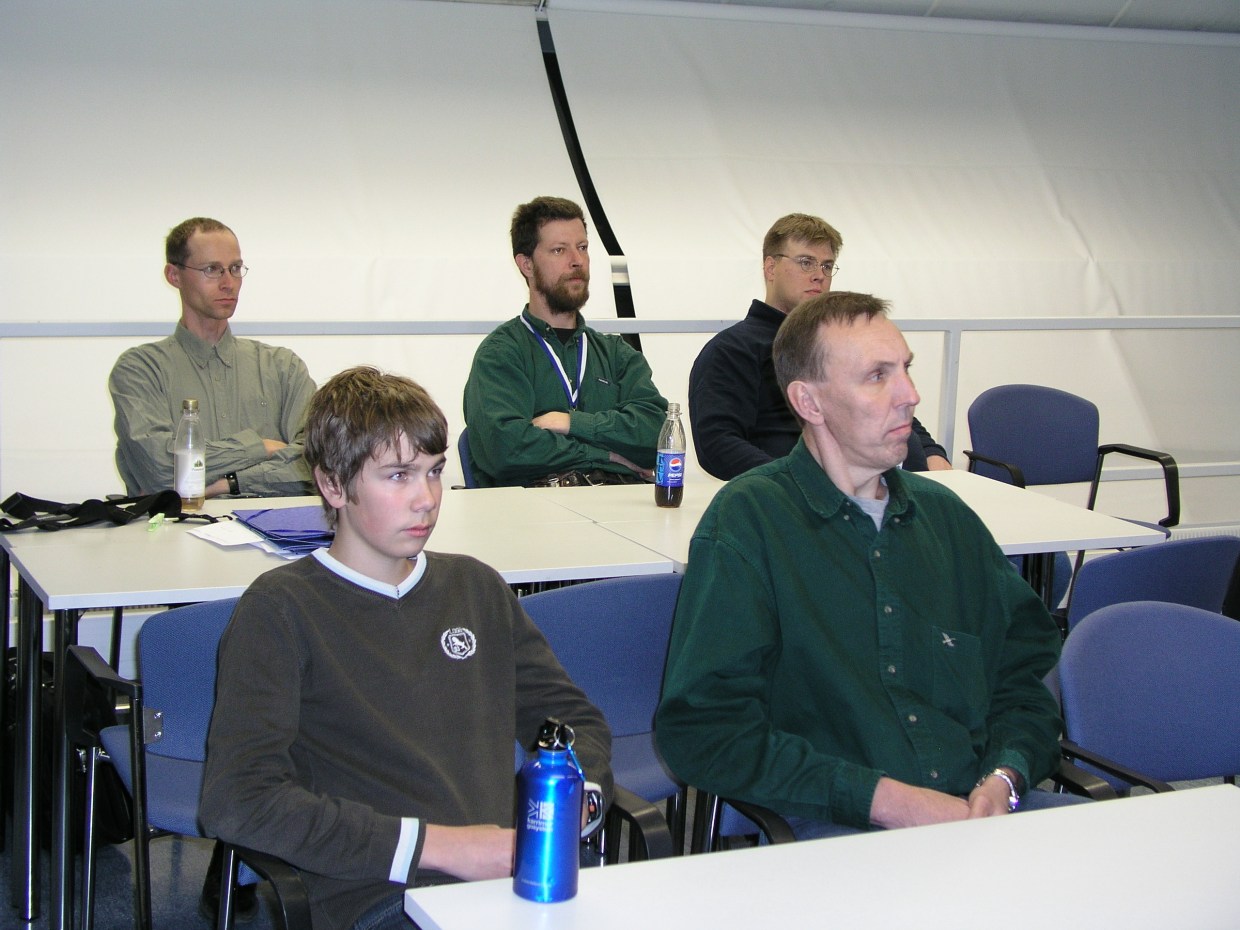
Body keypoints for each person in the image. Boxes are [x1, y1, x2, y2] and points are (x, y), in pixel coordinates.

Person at [199, 366, 612, 930]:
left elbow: (571, 722)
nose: (427, 500)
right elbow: (239, 799)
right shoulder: (280, 611)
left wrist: (576, 802)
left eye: (434, 471)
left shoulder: (476, 587)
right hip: (382, 898)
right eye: (398, 476)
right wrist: (441, 847)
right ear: (333, 486)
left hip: (514, 881)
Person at [656, 292, 1073, 842]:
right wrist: (892, 803)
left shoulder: (947, 520)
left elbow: (1024, 680)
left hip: (982, 814)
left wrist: (1006, 775)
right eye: (878, 376)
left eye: (905, 369)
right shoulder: (751, 523)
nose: (911, 395)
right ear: (809, 401)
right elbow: (706, 730)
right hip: (837, 825)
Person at [688, 213, 950, 480]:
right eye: (806, 263)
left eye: (827, 266)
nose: (819, 276)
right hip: (799, 493)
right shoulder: (734, 350)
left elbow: (888, 402)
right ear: (770, 268)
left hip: (895, 484)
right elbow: (717, 444)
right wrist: (797, 482)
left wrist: (931, 451)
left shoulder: (844, 341)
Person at [462, 196, 668, 487]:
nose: (577, 261)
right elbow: (505, 450)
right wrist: (608, 455)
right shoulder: (501, 354)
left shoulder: (617, 354)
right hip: (539, 505)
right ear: (526, 264)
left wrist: (571, 423)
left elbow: (658, 433)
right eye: (559, 250)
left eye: (582, 247)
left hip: (618, 501)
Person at [109, 217, 315, 498]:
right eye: (212, 270)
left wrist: (228, 484)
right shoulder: (141, 370)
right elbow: (159, 468)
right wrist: (260, 447)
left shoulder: (282, 368)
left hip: (270, 525)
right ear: (174, 275)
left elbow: (318, 464)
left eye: (235, 269)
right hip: (177, 526)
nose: (229, 283)